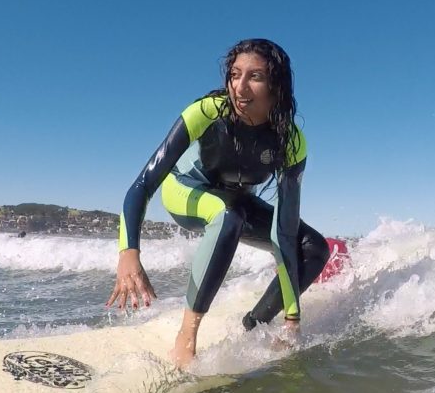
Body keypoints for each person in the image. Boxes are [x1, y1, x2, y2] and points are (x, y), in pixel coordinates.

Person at [108, 38, 330, 367]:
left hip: (236, 201)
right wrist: (128, 253)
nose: (239, 87)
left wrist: (293, 320)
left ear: (276, 86)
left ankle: (256, 325)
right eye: (234, 74)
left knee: (312, 247)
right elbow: (142, 186)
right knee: (229, 214)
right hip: (186, 191)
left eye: (255, 77)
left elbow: (282, 233)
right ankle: (186, 338)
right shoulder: (207, 112)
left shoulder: (290, 141)